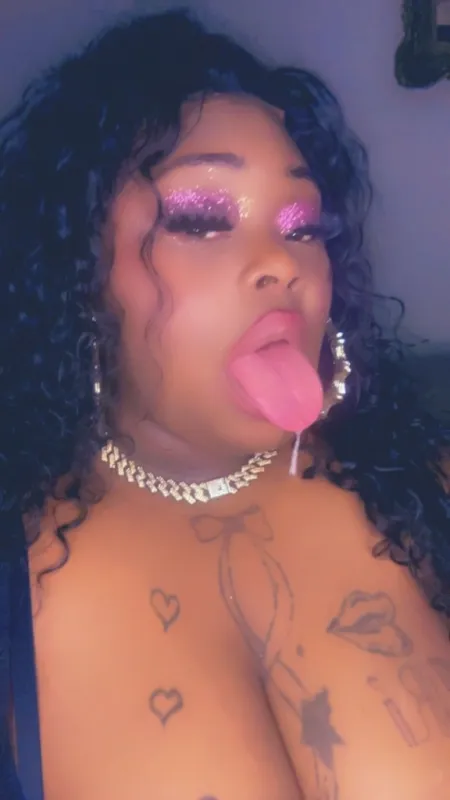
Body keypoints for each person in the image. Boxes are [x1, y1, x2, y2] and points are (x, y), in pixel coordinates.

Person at [0, 8, 449, 800]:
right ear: (81, 273)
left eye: (303, 225)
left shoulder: (424, 486)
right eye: (202, 221)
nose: (282, 262)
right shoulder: (23, 568)